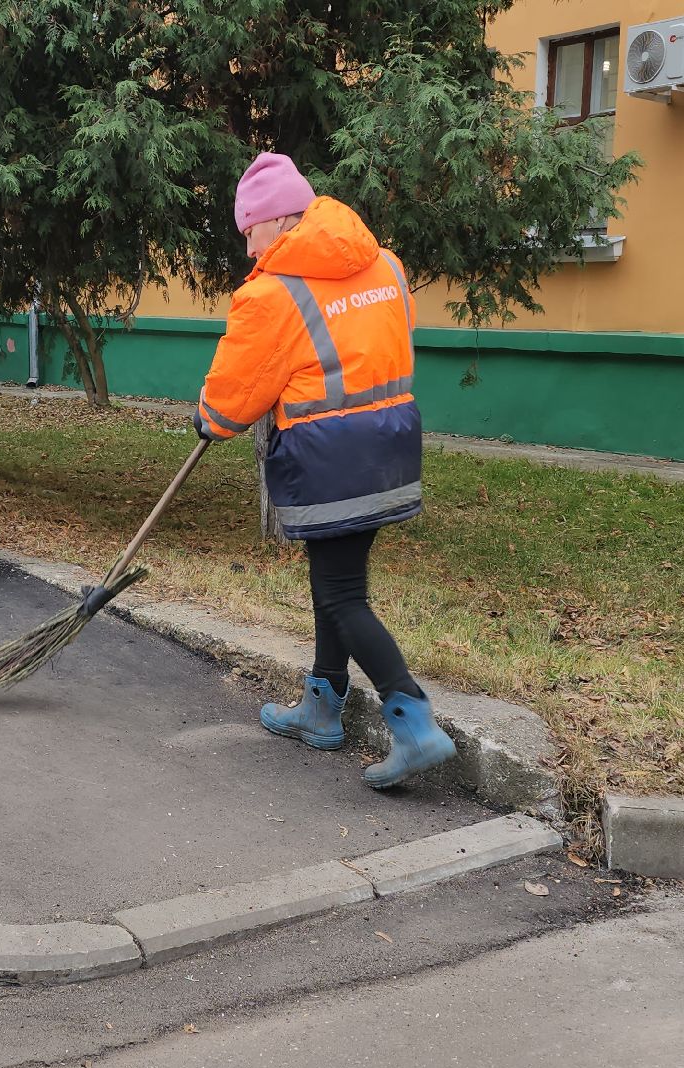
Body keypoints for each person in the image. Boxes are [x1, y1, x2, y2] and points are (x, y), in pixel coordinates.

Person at [194, 152, 453, 790]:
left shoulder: (273, 292)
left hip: (328, 458)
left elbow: (235, 392)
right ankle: (322, 706)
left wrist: (210, 421)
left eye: (248, 230)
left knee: (341, 595)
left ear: (277, 221)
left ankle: (414, 722)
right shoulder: (385, 265)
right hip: (389, 446)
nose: (248, 247)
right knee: (334, 582)